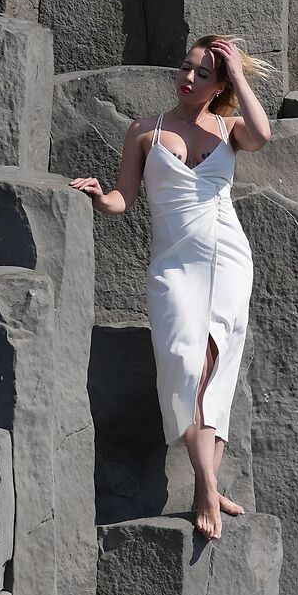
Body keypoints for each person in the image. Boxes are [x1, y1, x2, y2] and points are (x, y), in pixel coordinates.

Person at [70, 35, 272, 542]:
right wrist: (99, 198)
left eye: (203, 73)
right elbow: (124, 199)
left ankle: (206, 484)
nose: (188, 78)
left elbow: (264, 136)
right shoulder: (145, 130)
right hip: (174, 265)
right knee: (184, 362)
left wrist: (239, 76)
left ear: (220, 84)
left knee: (216, 365)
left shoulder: (230, 129)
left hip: (228, 258)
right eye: (185, 68)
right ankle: (208, 483)